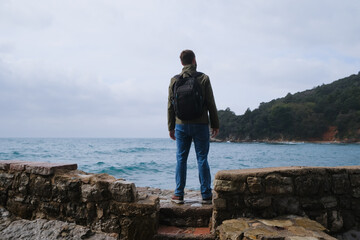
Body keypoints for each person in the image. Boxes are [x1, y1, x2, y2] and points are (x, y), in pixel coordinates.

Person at [167, 49, 219, 204]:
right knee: (202, 158)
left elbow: (170, 105)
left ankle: (178, 194)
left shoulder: (174, 80)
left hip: (181, 125)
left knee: (181, 159)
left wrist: (171, 127)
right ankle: (206, 194)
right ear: (194, 60)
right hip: (201, 124)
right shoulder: (203, 78)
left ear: (181, 62)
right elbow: (211, 103)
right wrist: (215, 124)